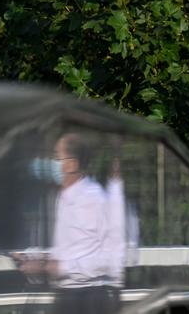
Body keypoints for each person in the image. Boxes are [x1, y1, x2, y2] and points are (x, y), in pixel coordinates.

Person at [16, 133, 120, 314]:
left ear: (72, 164)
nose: (49, 163)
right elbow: (67, 247)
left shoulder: (94, 199)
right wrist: (36, 259)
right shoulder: (60, 197)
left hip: (90, 299)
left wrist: (64, 267)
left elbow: (111, 256)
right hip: (65, 296)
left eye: (56, 158)